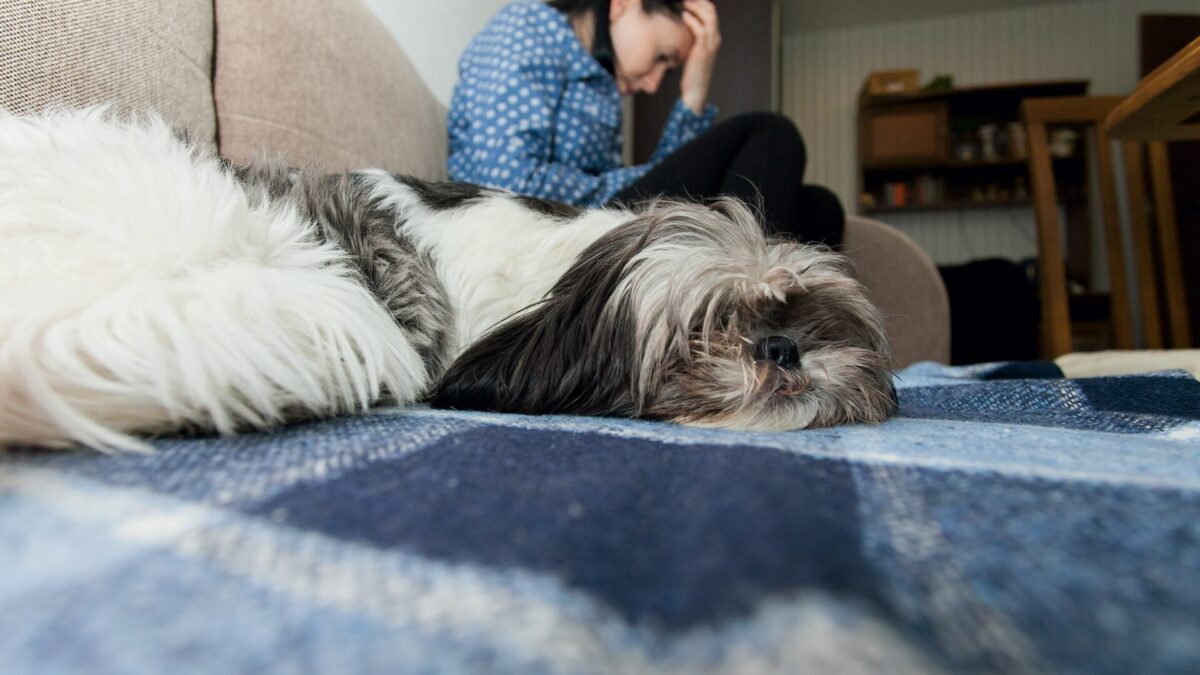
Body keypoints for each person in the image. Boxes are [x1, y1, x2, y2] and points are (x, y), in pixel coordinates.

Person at [447, 0, 844, 247]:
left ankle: (730, 304)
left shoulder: (602, 87)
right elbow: (504, 183)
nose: (654, 84)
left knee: (820, 208)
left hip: (586, 225)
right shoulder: (527, 27)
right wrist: (633, 179)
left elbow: (670, 178)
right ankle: (733, 303)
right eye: (661, 56)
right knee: (770, 133)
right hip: (542, 231)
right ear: (623, 4)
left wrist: (695, 88)